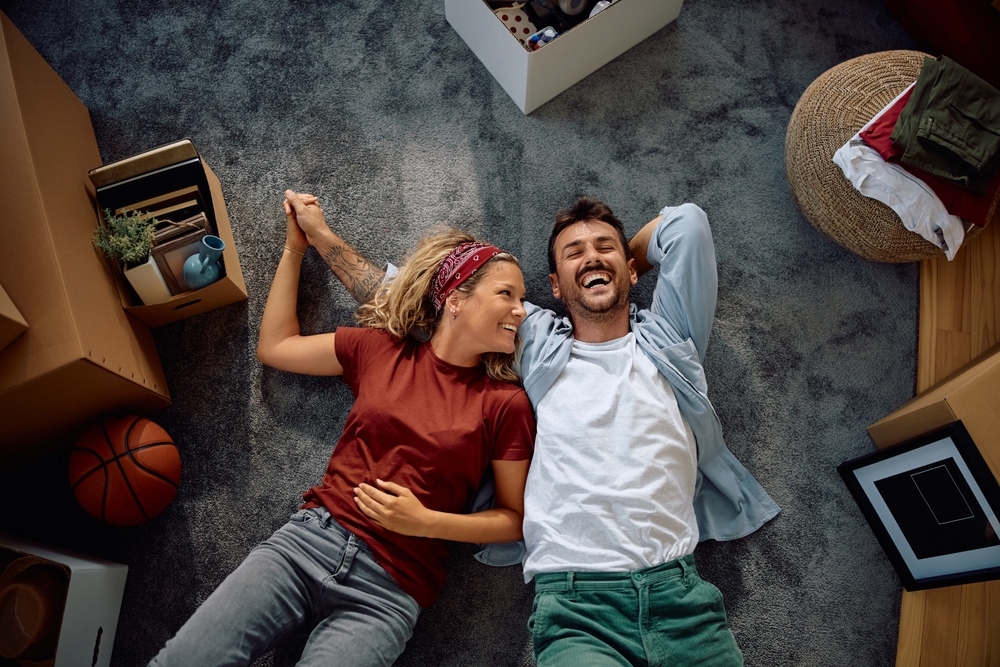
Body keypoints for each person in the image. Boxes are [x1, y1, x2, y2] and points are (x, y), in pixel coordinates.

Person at [290, 193, 780, 667]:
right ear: (554, 286)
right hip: (578, 607)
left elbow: (688, 225)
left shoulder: (672, 336)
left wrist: (609, 267)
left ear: (633, 268)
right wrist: (321, 235)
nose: (592, 256)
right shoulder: (534, 340)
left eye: (606, 247)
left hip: (682, 596)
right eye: (574, 254)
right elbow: (415, 297)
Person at [148, 191, 535, 667]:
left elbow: (514, 519)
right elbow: (275, 346)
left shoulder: (506, 404)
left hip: (389, 592)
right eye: (507, 295)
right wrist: (296, 248)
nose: (522, 311)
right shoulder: (380, 351)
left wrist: (428, 522)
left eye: (522, 299)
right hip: (309, 542)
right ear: (456, 300)